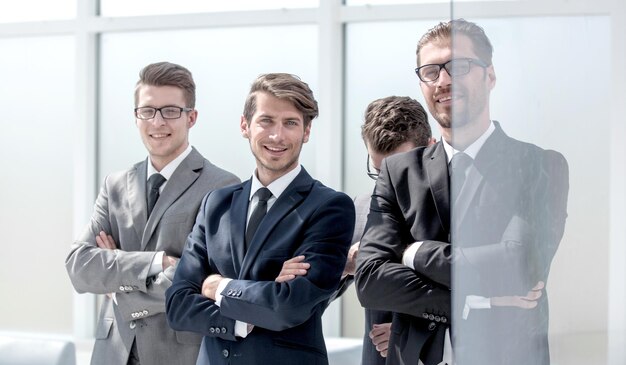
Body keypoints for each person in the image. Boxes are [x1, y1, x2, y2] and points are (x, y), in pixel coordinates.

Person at [355, 19, 569, 365]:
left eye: (459, 66)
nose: (443, 80)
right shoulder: (398, 173)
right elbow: (370, 280)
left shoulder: (539, 166)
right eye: (431, 71)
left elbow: (519, 267)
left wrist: (413, 253)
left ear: (490, 76)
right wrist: (480, 301)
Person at [165, 73, 355, 365]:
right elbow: (178, 305)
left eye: (290, 123)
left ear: (306, 132)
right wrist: (243, 317)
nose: (277, 136)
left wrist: (219, 287)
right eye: (266, 121)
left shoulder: (329, 207)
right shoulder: (216, 204)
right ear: (245, 126)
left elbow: (288, 306)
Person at [65, 62, 240, 365]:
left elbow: (196, 278)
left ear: (192, 117)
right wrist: (157, 261)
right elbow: (79, 266)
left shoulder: (222, 186)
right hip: (112, 353)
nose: (157, 122)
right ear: (136, 117)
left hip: (178, 353)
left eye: (170, 111)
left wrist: (117, 287)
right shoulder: (116, 184)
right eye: (147, 111)